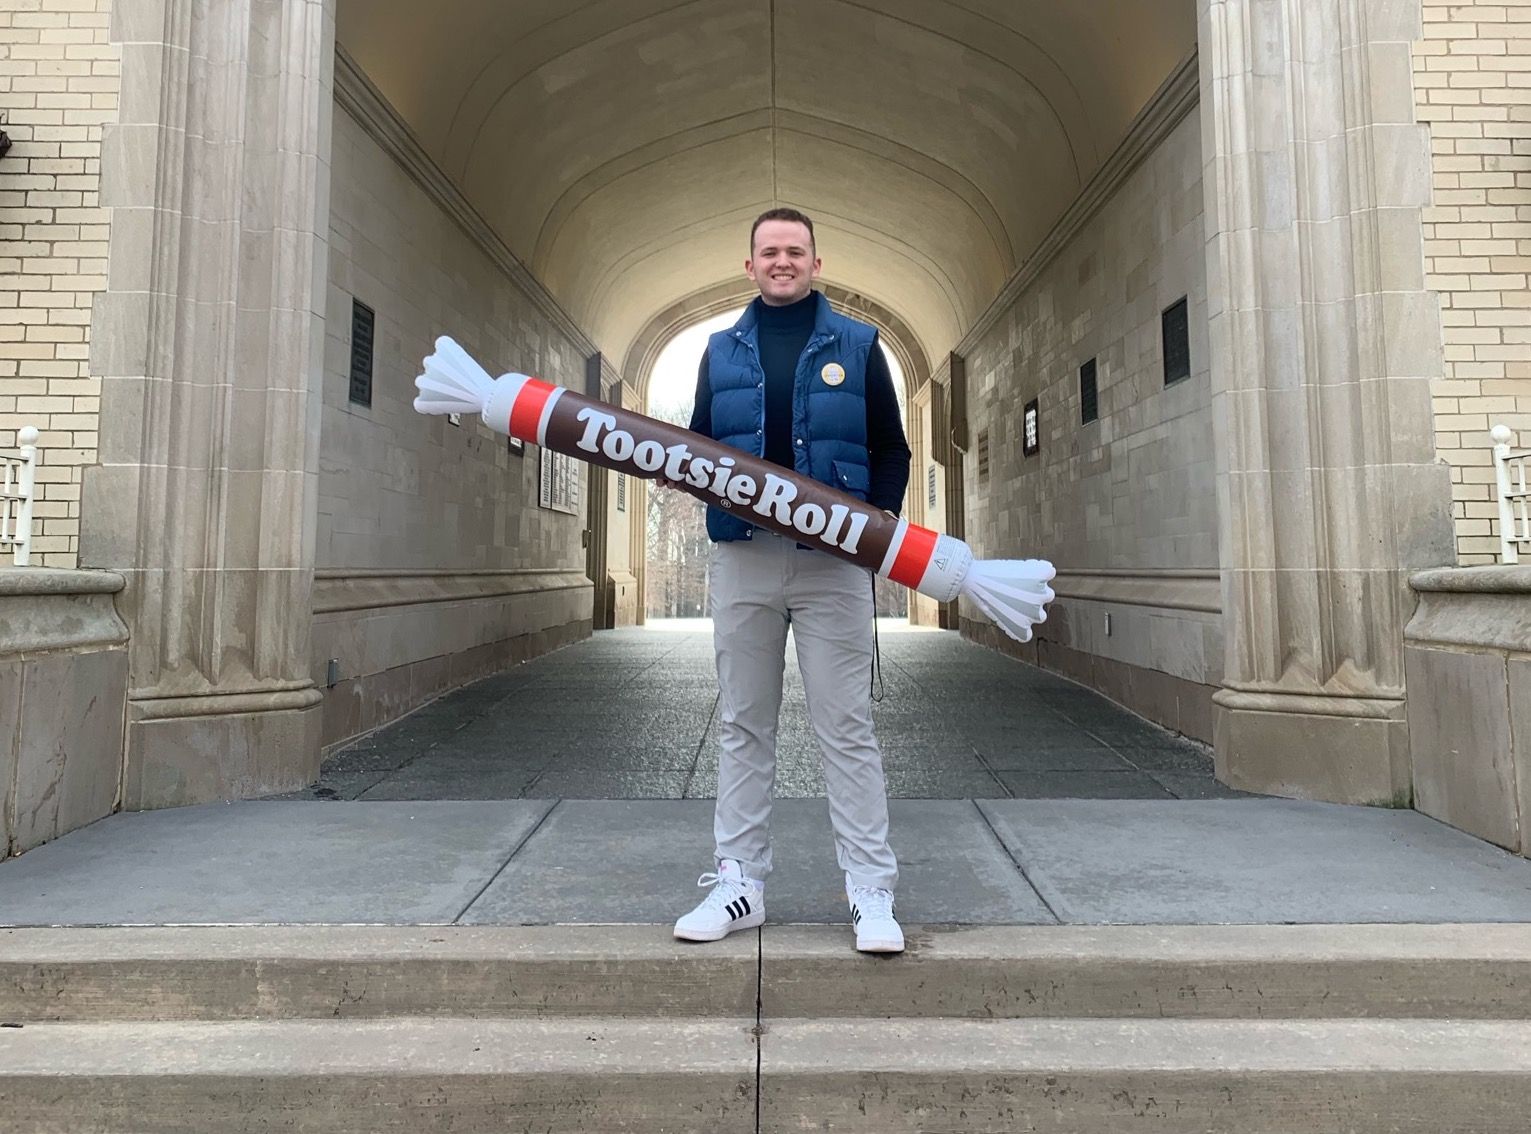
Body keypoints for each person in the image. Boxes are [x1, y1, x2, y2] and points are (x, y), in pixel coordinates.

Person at [671, 208, 911, 953]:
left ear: (815, 262)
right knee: (744, 724)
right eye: (769, 251)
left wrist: (872, 525)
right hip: (743, 558)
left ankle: (870, 890)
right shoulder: (719, 349)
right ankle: (739, 883)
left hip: (832, 565)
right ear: (749, 265)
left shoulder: (859, 345)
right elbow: (699, 441)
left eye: (795, 251)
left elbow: (891, 449)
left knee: (847, 726)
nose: (782, 261)